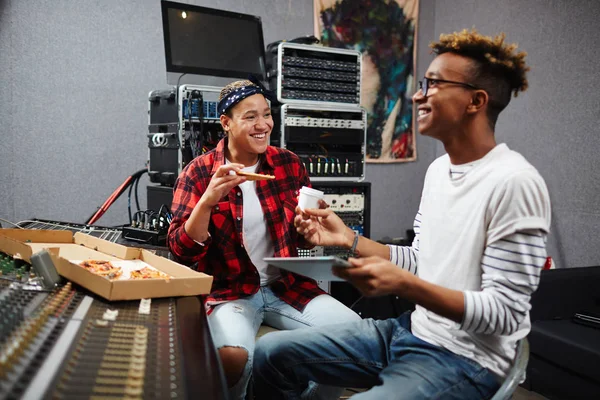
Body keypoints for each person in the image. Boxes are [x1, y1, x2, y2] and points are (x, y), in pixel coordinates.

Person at [253, 29, 551, 399]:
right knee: (269, 352)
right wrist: (347, 239)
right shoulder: (439, 171)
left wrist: (404, 285)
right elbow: (419, 260)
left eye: (434, 84)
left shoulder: (515, 182)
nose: (418, 94)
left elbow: (505, 314)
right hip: (410, 330)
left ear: (475, 100)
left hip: (467, 360)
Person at [167, 78, 360, 400]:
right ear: (226, 123)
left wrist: (309, 232)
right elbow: (180, 251)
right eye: (250, 117)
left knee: (354, 340)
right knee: (233, 359)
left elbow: (304, 242)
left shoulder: (288, 164)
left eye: (267, 115)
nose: (263, 125)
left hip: (287, 286)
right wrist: (208, 201)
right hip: (230, 290)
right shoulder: (198, 173)